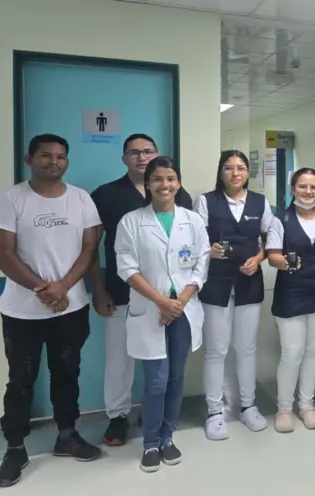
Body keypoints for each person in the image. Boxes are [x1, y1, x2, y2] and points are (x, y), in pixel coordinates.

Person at [0, 133, 103, 488]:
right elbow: (3, 254)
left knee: (67, 373)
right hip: (22, 313)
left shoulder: (81, 199)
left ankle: (67, 436)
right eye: (45, 155)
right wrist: (44, 289)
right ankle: (15, 449)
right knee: (21, 380)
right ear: (29, 159)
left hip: (71, 308)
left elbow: (90, 247)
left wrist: (63, 287)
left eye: (60, 156)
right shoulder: (12, 200)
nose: (54, 162)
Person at [89, 133, 193, 446]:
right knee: (119, 359)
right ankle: (117, 416)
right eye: (134, 152)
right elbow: (91, 247)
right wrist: (98, 289)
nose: (142, 157)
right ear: (124, 158)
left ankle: (154, 415)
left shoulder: (180, 195)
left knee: (164, 364)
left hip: (168, 303)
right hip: (121, 294)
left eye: (148, 151)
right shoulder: (106, 195)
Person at [115, 156, 209, 473]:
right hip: (151, 310)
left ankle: (168, 437)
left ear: (178, 183)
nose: (164, 184)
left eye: (170, 178)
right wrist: (162, 302)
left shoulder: (192, 221)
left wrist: (178, 302)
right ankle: (151, 443)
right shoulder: (131, 222)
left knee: (176, 377)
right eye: (157, 179)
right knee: (156, 380)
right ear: (148, 184)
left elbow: (201, 263)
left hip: (182, 309)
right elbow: (127, 268)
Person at [195, 150, 273, 440]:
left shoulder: (260, 202)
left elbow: (271, 239)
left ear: (247, 172)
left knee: (247, 347)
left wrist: (259, 258)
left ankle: (248, 406)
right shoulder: (206, 201)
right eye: (229, 168)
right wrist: (209, 250)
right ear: (221, 172)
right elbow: (195, 240)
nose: (235, 173)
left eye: (241, 168)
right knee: (216, 350)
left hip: (248, 282)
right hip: (215, 283)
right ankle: (215, 411)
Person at [266, 168, 315, 433]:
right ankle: (284, 408)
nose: (308, 192)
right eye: (303, 186)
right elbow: (272, 255)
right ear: (293, 189)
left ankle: (306, 405)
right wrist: (287, 263)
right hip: (291, 294)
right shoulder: (281, 219)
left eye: (313, 187)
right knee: (292, 352)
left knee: (313, 350)